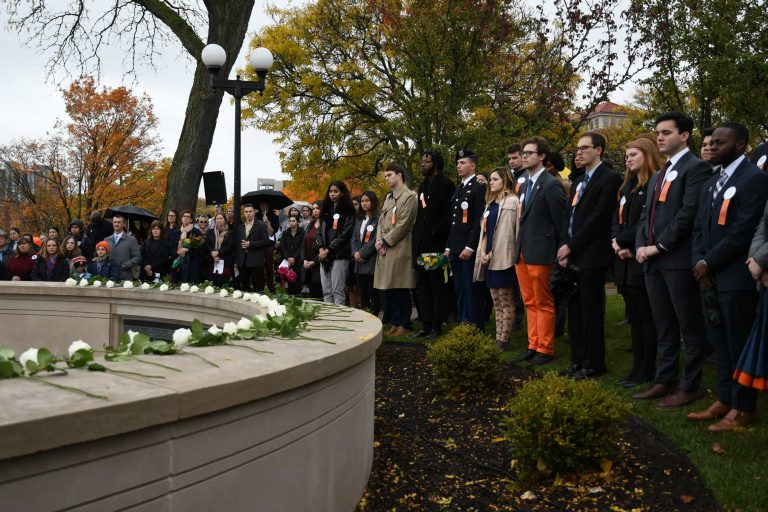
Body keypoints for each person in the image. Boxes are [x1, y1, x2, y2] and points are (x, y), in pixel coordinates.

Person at [687, 123, 768, 431]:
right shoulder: (711, 182)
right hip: (707, 276)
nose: (713, 147)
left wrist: (709, 262)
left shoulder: (754, 179)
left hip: (735, 278)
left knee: (737, 342)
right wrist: (699, 262)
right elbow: (698, 228)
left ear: (741, 144)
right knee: (718, 342)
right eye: (711, 142)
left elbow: (742, 230)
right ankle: (724, 398)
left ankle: (744, 407)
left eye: (721, 143)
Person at [634, 112, 713, 408]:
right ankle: (664, 380)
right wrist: (642, 245)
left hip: (677, 260)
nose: (660, 137)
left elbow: (688, 214)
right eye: (658, 132)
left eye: (666, 132)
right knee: (663, 323)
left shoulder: (697, 168)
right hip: (652, 261)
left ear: (684, 135)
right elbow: (646, 216)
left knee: (688, 325)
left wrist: (659, 246)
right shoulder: (658, 174)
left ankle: (690, 385)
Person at [558, 132, 622, 379]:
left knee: (591, 310)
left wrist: (571, 245)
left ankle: (593, 363)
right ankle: (577, 361)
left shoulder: (609, 178)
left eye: (584, 148)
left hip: (592, 254)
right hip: (572, 254)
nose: (578, 153)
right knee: (574, 310)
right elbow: (569, 216)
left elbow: (598, 218)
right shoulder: (578, 182)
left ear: (599, 150)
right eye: (577, 149)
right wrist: (564, 244)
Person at [612, 137, 662, 387]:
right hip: (624, 259)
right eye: (627, 155)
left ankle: (647, 368)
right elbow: (617, 219)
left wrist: (625, 242)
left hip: (640, 258)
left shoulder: (655, 183)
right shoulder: (627, 186)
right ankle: (636, 368)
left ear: (648, 154)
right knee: (635, 318)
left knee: (646, 318)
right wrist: (616, 241)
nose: (628, 159)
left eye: (633, 155)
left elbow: (648, 221)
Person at [513, 136, 566, 364]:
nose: (524, 156)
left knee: (543, 302)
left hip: (542, 252)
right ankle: (533, 344)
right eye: (523, 153)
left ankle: (545, 347)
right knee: (529, 302)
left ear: (542, 156)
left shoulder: (552, 184)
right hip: (523, 252)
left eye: (529, 153)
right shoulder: (524, 184)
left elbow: (560, 222)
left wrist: (558, 251)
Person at [473, 168, 520, 349]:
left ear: (504, 180)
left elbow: (516, 231)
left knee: (506, 299)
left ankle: (504, 339)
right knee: (496, 301)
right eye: (490, 179)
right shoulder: (489, 205)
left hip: (505, 257)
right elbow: (485, 232)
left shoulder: (513, 201)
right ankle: (498, 336)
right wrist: (484, 252)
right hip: (489, 259)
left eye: (494, 179)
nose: (490, 182)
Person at [412, 150, 455, 338]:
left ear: (436, 163)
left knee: (436, 286)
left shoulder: (446, 185)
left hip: (436, 243)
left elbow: (448, 214)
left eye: (427, 161)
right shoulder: (422, 186)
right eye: (422, 161)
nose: (423, 164)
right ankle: (426, 324)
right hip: (422, 243)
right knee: (422, 286)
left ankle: (437, 326)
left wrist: (436, 230)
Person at [374, 163, 417, 335]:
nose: (387, 179)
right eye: (385, 176)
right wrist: (378, 240)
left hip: (399, 247)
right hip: (385, 248)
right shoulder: (389, 197)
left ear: (399, 175)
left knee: (400, 286)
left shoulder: (408, 197)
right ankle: (395, 321)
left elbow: (404, 224)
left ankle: (404, 324)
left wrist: (385, 241)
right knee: (389, 287)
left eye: (389, 175)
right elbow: (380, 221)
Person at [445, 149, 486, 330]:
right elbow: (454, 221)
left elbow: (479, 219)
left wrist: (470, 246)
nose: (458, 166)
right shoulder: (459, 188)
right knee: (459, 289)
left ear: (473, 165)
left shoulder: (479, 187)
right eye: (458, 163)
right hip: (455, 247)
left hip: (468, 247)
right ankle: (463, 324)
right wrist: (448, 246)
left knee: (471, 290)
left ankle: (473, 326)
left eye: (462, 163)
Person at [315, 181, 355, 304]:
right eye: (331, 191)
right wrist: (321, 249)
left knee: (337, 290)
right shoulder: (326, 209)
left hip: (340, 254)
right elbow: (319, 232)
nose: (332, 194)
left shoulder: (348, 210)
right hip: (324, 256)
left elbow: (345, 234)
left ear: (342, 193)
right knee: (326, 291)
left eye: (336, 191)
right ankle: (329, 320)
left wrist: (328, 250)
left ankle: (340, 320)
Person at [352, 191, 380, 315]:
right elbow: (354, 238)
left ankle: (374, 315)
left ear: (373, 202)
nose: (364, 203)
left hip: (371, 260)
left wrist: (362, 254)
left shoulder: (378, 219)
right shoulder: (359, 219)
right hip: (358, 261)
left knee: (372, 291)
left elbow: (375, 239)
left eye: (367, 201)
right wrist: (355, 253)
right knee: (362, 291)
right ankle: (365, 313)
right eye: (362, 201)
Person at [236, 204, 273, 292]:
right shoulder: (240, 227)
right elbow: (237, 245)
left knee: (258, 288)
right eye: (246, 212)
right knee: (244, 288)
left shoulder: (261, 225)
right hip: (242, 261)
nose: (248, 213)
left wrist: (250, 244)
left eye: (250, 211)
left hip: (256, 260)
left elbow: (266, 241)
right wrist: (236, 261)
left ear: (254, 212)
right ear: (244, 213)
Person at [106, 214, 142, 281]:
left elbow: (137, 257)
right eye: (114, 222)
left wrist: (125, 265)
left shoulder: (131, 240)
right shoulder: (106, 240)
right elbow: (103, 255)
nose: (116, 224)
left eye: (119, 222)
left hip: (125, 276)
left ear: (124, 224)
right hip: (109, 276)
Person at [256, 201, 280, 292]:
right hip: (259, 243)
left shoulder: (274, 215)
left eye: (264, 203)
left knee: (269, 266)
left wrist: (267, 222)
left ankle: (271, 286)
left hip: (269, 244)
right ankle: (260, 286)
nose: (261, 205)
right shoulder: (257, 215)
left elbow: (272, 231)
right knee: (259, 266)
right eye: (260, 204)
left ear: (268, 204)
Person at [279, 214, 306, 295]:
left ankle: (297, 295)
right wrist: (288, 258)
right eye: (290, 221)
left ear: (298, 222)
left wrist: (293, 258)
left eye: (293, 221)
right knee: (288, 280)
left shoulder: (302, 232)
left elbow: (302, 247)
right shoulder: (285, 232)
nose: (291, 223)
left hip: (297, 260)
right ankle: (290, 295)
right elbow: (282, 246)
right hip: (287, 261)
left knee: (297, 280)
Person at [206, 213, 235, 287]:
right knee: (212, 284)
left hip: (225, 261)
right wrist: (212, 253)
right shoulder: (209, 232)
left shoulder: (230, 233)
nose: (219, 220)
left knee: (224, 284)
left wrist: (218, 252)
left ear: (225, 220)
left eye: (221, 218)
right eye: (217, 219)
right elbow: (207, 244)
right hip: (212, 260)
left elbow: (230, 246)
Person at [176, 210, 204, 284]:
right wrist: (177, 251)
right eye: (184, 216)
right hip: (179, 261)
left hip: (192, 263)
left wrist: (188, 249)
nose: (185, 218)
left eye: (188, 217)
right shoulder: (178, 232)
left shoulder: (196, 232)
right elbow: (172, 245)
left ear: (191, 220)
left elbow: (200, 248)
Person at [303, 201, 324, 298]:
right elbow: (303, 243)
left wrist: (314, 262)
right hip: (308, 263)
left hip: (319, 262)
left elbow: (325, 246)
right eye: (314, 209)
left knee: (319, 292)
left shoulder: (325, 225)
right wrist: (304, 260)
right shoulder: (310, 224)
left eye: (318, 208)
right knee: (311, 294)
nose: (315, 211)